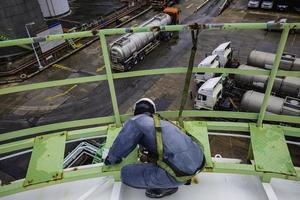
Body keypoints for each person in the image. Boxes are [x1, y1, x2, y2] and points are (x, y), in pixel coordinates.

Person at [103, 98, 205, 198]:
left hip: (181, 173)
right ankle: (174, 178)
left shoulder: (135, 122)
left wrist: (110, 159)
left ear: (136, 113)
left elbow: (122, 143)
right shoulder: (161, 123)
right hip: (199, 159)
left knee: (126, 173)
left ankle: (166, 187)